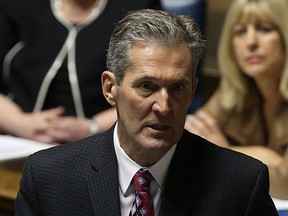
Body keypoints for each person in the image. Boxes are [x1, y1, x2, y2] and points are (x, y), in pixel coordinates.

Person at [15, 9, 277, 215]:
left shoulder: (241, 184)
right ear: (110, 88)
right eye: (147, 86)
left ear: (193, 89)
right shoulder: (49, 178)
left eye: (177, 88)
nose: (163, 106)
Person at [0, 0, 160, 144]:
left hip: (108, 140)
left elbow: (154, 91)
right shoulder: (16, 6)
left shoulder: (137, 7)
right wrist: (19, 123)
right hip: (17, 140)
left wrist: (92, 128)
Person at [185, 0, 288, 199]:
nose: (251, 42)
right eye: (240, 31)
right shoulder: (235, 89)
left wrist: (227, 151)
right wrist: (266, 156)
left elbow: (286, 184)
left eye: (265, 29)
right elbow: (189, 139)